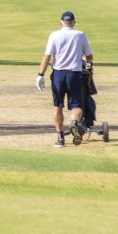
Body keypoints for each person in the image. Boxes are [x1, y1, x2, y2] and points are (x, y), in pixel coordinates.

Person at [36, 10, 93, 147]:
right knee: (76, 105)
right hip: (75, 74)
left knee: (57, 106)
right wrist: (89, 69)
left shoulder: (54, 35)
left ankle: (60, 138)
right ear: (73, 22)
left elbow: (47, 56)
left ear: (61, 23)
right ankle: (74, 123)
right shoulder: (80, 35)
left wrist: (40, 74)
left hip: (58, 74)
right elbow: (89, 56)